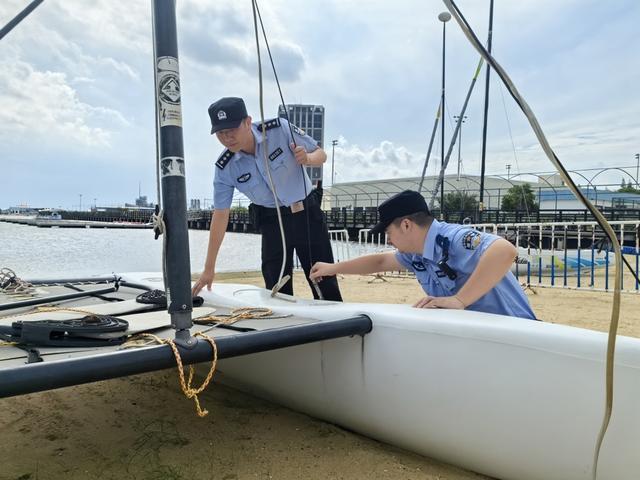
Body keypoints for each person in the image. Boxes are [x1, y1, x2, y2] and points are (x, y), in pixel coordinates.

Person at [192, 97, 342, 301]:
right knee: (277, 289)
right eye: (220, 133)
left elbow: (320, 154)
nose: (227, 138)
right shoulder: (224, 168)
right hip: (271, 224)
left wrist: (307, 159)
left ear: (247, 122)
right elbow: (220, 215)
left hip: (306, 215)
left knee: (324, 280)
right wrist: (209, 269)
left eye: (231, 130)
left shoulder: (279, 129)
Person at [310, 190, 536, 319]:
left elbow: (504, 250)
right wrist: (332, 268)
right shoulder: (415, 254)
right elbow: (380, 261)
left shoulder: (453, 238)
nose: (388, 239)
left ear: (406, 225)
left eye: (389, 232)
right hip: (478, 332)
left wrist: (459, 300)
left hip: (517, 329)